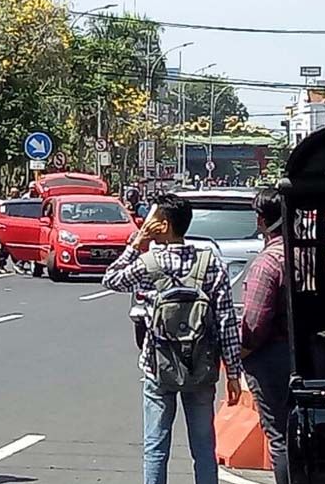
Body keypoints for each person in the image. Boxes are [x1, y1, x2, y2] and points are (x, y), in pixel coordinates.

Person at [102, 193, 242, 484]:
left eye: (151, 218)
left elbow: (111, 279)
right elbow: (226, 318)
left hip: (158, 367)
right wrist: (232, 372)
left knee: (156, 447)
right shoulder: (209, 262)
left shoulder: (148, 262)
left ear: (162, 225)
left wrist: (135, 243)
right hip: (201, 367)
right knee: (204, 447)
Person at [241, 188, 289, 484]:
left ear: (261, 221)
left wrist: (238, 353)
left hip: (273, 359)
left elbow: (253, 325)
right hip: (314, 352)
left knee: (280, 436)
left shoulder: (268, 263)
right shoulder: (303, 253)